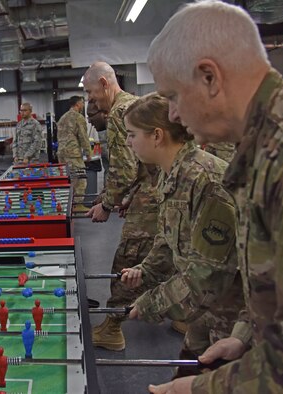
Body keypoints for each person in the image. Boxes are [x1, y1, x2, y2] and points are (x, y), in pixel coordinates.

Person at [145, 2, 283, 393]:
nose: (170, 115)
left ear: (209, 77)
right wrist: (246, 333)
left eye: (172, 95)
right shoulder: (267, 139)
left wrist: (194, 389)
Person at [120, 93, 244, 378]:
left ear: (157, 136)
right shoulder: (171, 173)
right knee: (186, 373)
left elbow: (207, 275)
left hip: (230, 318)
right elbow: (168, 237)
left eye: (132, 134)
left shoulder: (206, 181)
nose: (128, 142)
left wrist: (151, 303)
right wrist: (147, 270)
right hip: (202, 313)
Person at [82, 62, 163, 351]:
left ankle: (112, 328)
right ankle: (185, 317)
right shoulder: (135, 103)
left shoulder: (119, 112)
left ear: (105, 83)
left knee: (127, 261)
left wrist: (107, 203)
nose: (92, 101)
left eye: (92, 93)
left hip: (152, 198)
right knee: (166, 253)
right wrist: (128, 197)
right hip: (157, 189)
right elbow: (143, 164)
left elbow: (124, 168)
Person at [56, 96, 93, 212]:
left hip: (61, 153)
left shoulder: (62, 117)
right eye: (82, 103)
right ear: (78, 104)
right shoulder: (78, 117)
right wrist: (88, 153)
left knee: (68, 179)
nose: (83, 105)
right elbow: (83, 136)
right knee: (80, 179)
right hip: (73, 154)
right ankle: (77, 205)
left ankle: (68, 205)